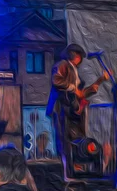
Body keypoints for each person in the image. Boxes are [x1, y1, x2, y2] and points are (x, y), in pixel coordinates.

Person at [46, 44, 109, 177]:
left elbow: (81, 94)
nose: (79, 58)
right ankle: (66, 173)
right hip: (62, 108)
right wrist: (73, 88)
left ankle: (74, 170)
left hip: (74, 111)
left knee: (77, 141)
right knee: (64, 141)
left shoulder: (74, 70)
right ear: (73, 54)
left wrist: (100, 81)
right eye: (78, 55)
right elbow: (56, 80)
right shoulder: (63, 64)